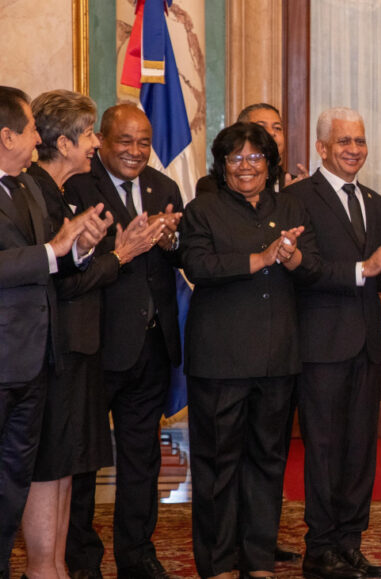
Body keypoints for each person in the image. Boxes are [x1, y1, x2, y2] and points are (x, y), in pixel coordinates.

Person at [21, 90, 162, 579]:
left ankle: (56, 566)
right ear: (65, 142)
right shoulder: (37, 191)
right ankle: (54, 566)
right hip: (59, 351)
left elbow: (65, 269)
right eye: (89, 137)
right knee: (57, 469)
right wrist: (118, 255)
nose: (94, 146)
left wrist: (90, 248)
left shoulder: (54, 190)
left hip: (91, 350)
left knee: (68, 467)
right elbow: (62, 281)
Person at [180, 122, 318, 579]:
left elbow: (313, 266)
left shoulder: (291, 206)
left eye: (255, 157)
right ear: (222, 166)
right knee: (218, 467)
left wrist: (293, 257)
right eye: (235, 158)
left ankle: (258, 561)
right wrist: (261, 258)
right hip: (220, 361)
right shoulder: (203, 209)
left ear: (269, 164)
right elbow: (197, 264)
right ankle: (218, 564)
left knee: (267, 463)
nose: (246, 166)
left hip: (277, 359)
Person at [287, 107, 381, 579]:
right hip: (319, 346)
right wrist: (368, 267)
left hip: (365, 346)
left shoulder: (376, 203)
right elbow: (306, 267)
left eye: (359, 141)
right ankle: (319, 549)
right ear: (321, 148)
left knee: (360, 451)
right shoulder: (297, 198)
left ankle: (349, 543)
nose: (354, 150)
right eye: (344, 142)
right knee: (322, 450)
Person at [63, 104, 185, 579]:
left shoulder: (164, 187)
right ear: (102, 141)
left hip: (151, 348)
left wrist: (172, 239)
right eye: (125, 141)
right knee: (84, 463)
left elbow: (179, 260)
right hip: (96, 348)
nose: (136, 151)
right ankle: (83, 559)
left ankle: (137, 554)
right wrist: (124, 247)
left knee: (142, 460)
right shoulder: (77, 187)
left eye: (143, 141)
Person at [0, 85, 109, 578]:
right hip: (10, 357)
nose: (37, 140)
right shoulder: (30, 184)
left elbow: (58, 262)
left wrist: (81, 245)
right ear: (9, 136)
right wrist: (58, 249)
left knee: (14, 482)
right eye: (30, 131)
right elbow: (39, 259)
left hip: (36, 360)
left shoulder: (22, 188)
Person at [195, 103, 306, 196]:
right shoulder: (211, 186)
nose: (272, 133)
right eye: (261, 127)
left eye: (277, 128)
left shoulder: (295, 185)